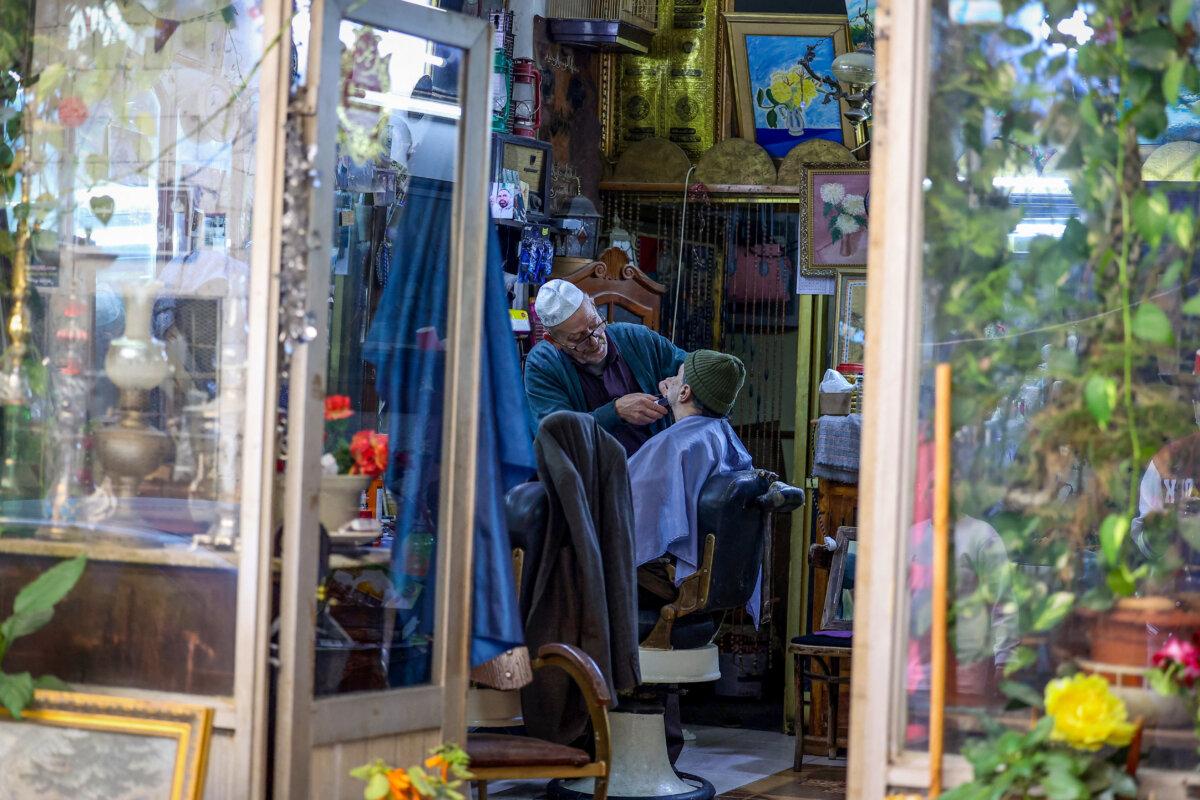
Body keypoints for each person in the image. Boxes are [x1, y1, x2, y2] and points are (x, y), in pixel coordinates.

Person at [625, 350, 752, 767]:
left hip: (665, 586)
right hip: (705, 590)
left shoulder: (672, 447)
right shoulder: (721, 436)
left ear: (685, 390)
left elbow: (628, 527)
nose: (671, 378)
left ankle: (569, 738)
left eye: (679, 375)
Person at [525, 279, 685, 456]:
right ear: (553, 341)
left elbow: (695, 363)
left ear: (593, 305)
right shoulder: (543, 364)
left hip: (657, 462)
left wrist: (678, 379)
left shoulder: (636, 337)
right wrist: (615, 412)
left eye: (595, 325)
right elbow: (557, 437)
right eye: (577, 338)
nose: (594, 342)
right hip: (593, 476)